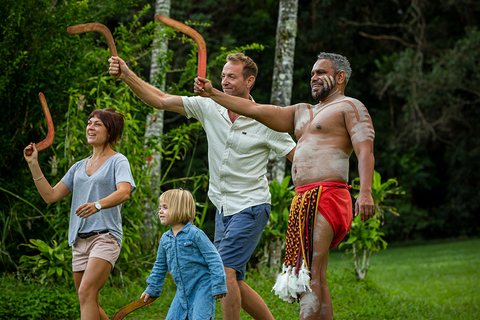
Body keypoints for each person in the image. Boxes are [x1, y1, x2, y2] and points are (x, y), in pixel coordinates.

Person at [109, 52, 296, 320]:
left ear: (249, 80)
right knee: (234, 279)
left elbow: (297, 157)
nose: (225, 81)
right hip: (222, 208)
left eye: (232, 76)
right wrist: (126, 74)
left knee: (224, 270)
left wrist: (318, 190)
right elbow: (160, 100)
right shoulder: (209, 107)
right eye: (223, 76)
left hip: (252, 205)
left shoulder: (265, 119)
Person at [195, 52, 375, 320]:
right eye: (312, 72)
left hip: (326, 195)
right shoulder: (303, 111)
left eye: (320, 72)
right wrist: (213, 94)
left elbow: (365, 150)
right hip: (305, 199)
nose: (313, 77)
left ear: (340, 77)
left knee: (309, 273)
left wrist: (366, 192)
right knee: (316, 274)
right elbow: (256, 110)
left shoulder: (350, 107)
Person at [23, 108, 136, 320]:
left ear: (109, 131)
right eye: (89, 123)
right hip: (79, 241)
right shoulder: (78, 167)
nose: (90, 127)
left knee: (86, 292)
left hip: (105, 237)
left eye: (97, 124)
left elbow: (124, 192)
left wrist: (98, 205)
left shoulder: (118, 161)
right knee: (87, 299)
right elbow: (51, 195)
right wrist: (33, 164)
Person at [141, 189, 227, 319]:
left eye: (165, 207)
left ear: (179, 209)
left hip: (202, 288)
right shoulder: (165, 238)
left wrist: (218, 284)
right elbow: (160, 266)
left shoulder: (195, 234)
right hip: (182, 291)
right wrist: (152, 289)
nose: (160, 211)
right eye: (160, 207)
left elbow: (214, 258)